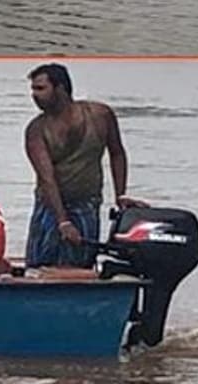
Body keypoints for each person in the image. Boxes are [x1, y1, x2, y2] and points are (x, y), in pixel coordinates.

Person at [24, 63, 147, 268]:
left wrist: (120, 196)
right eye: (33, 89)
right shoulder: (36, 130)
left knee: (80, 263)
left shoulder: (100, 115)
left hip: (86, 204)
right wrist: (63, 221)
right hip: (49, 207)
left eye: (40, 88)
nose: (34, 95)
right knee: (40, 264)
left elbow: (116, 153)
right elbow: (47, 178)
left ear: (61, 88)